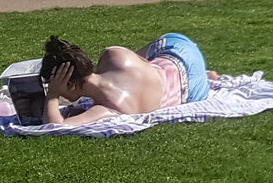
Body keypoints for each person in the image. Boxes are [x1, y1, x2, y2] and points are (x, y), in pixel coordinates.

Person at [35, 32, 217, 126]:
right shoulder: (111, 54)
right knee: (147, 64)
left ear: (69, 82)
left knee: (149, 68)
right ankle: (203, 72)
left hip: (192, 88)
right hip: (180, 46)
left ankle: (203, 75)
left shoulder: (109, 108)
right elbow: (144, 63)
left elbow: (56, 127)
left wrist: (52, 95)